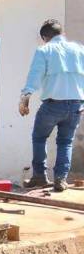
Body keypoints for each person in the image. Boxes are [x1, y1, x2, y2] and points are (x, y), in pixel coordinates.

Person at [19, 19, 84, 192]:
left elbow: (35, 75)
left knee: (39, 138)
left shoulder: (44, 50)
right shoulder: (79, 50)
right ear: (62, 33)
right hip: (76, 106)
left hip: (53, 105)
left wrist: (25, 98)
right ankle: (61, 180)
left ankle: (39, 176)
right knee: (66, 142)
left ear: (44, 37)